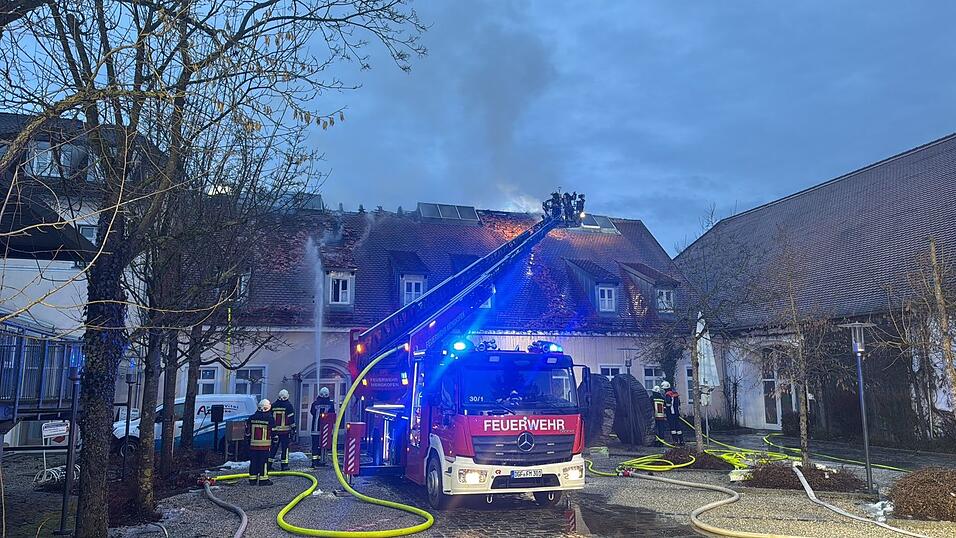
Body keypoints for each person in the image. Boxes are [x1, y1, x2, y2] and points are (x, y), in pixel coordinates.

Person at [246, 399, 275, 485]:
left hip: (253, 445)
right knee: (263, 462)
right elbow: (273, 431)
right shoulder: (270, 418)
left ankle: (252, 479)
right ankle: (263, 480)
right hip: (264, 445)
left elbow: (247, 432)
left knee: (253, 462)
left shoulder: (251, 418)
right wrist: (274, 440)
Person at [269, 389, 296, 470]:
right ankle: (284, 465)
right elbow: (291, 419)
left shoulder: (273, 405)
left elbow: (270, 418)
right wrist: (294, 428)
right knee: (285, 448)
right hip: (285, 431)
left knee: (273, 448)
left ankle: (269, 465)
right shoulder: (288, 406)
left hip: (275, 432)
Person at [310, 387, 336, 467]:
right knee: (324, 445)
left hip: (315, 428)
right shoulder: (330, 404)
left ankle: (314, 461)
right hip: (326, 429)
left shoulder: (315, 404)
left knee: (315, 445)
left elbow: (312, 412)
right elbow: (332, 415)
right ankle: (323, 461)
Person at [662, 381, 684, 446]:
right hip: (676, 413)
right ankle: (681, 441)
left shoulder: (668, 394)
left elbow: (668, 404)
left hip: (671, 413)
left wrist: (664, 407)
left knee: (672, 428)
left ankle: (675, 441)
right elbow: (678, 403)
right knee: (678, 427)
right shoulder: (675, 394)